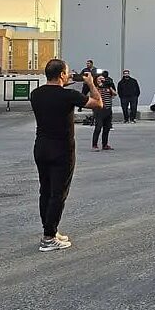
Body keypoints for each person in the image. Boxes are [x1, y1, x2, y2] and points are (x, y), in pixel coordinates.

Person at [29, 59, 103, 252]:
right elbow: (98, 103)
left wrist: (65, 80)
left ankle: (50, 229)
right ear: (62, 74)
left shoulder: (36, 94)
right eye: (67, 73)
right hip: (62, 149)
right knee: (58, 193)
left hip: (41, 147)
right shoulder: (69, 95)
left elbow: (53, 92)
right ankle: (49, 237)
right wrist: (90, 83)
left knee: (45, 190)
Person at [91, 73, 117, 151]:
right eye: (99, 79)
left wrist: (109, 86)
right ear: (96, 80)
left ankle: (105, 144)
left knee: (107, 128)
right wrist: (100, 86)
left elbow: (115, 94)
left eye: (103, 79)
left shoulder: (108, 87)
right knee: (98, 128)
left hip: (108, 110)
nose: (101, 80)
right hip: (99, 110)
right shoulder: (95, 88)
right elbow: (93, 96)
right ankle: (94, 145)